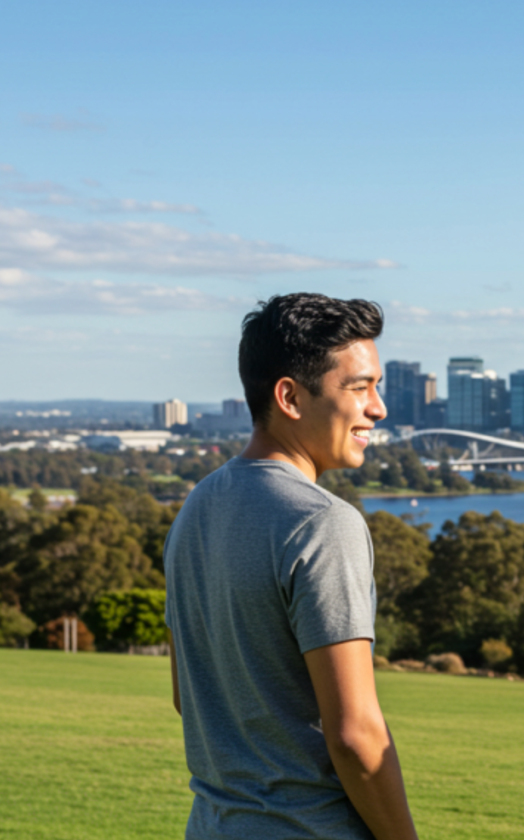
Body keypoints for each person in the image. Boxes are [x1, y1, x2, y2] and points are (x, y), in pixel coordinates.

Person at [165, 293, 418, 840]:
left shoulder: (197, 507)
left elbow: (189, 697)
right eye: (360, 387)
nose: (379, 407)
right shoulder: (324, 523)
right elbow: (357, 735)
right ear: (290, 397)